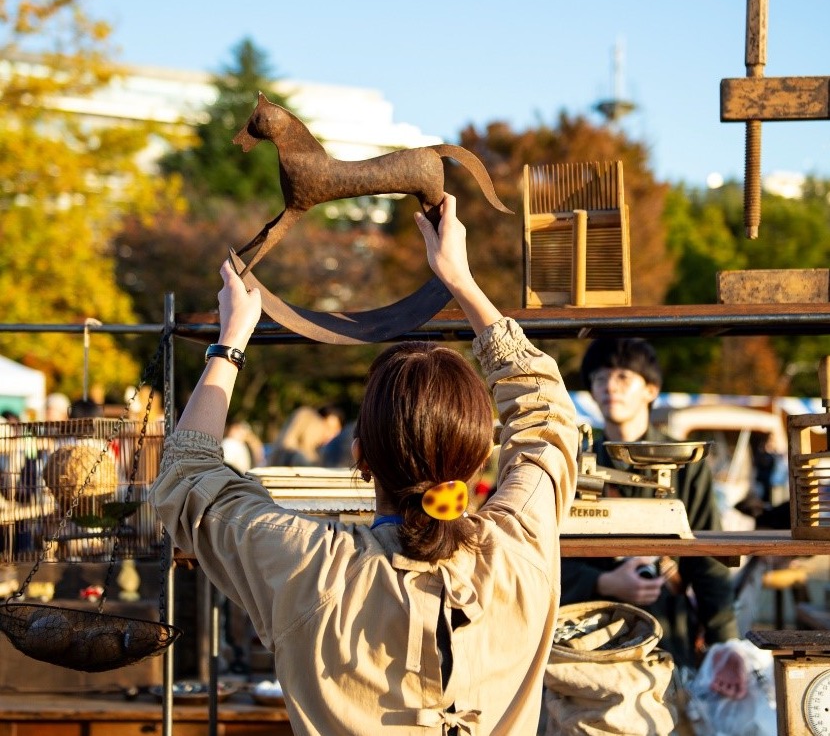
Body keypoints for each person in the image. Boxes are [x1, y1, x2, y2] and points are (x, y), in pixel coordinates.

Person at [150, 194, 579, 735]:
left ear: (360, 457)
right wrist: (460, 281)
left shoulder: (311, 566)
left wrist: (230, 342)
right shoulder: (519, 551)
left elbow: (187, 477)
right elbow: (546, 413)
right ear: (478, 457)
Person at [559, 337, 747, 700]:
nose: (610, 386)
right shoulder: (575, 465)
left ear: (651, 389)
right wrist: (604, 583)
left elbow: (707, 560)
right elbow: (547, 556)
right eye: (599, 378)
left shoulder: (686, 466)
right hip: (587, 643)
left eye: (623, 377)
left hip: (667, 637)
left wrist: (726, 645)